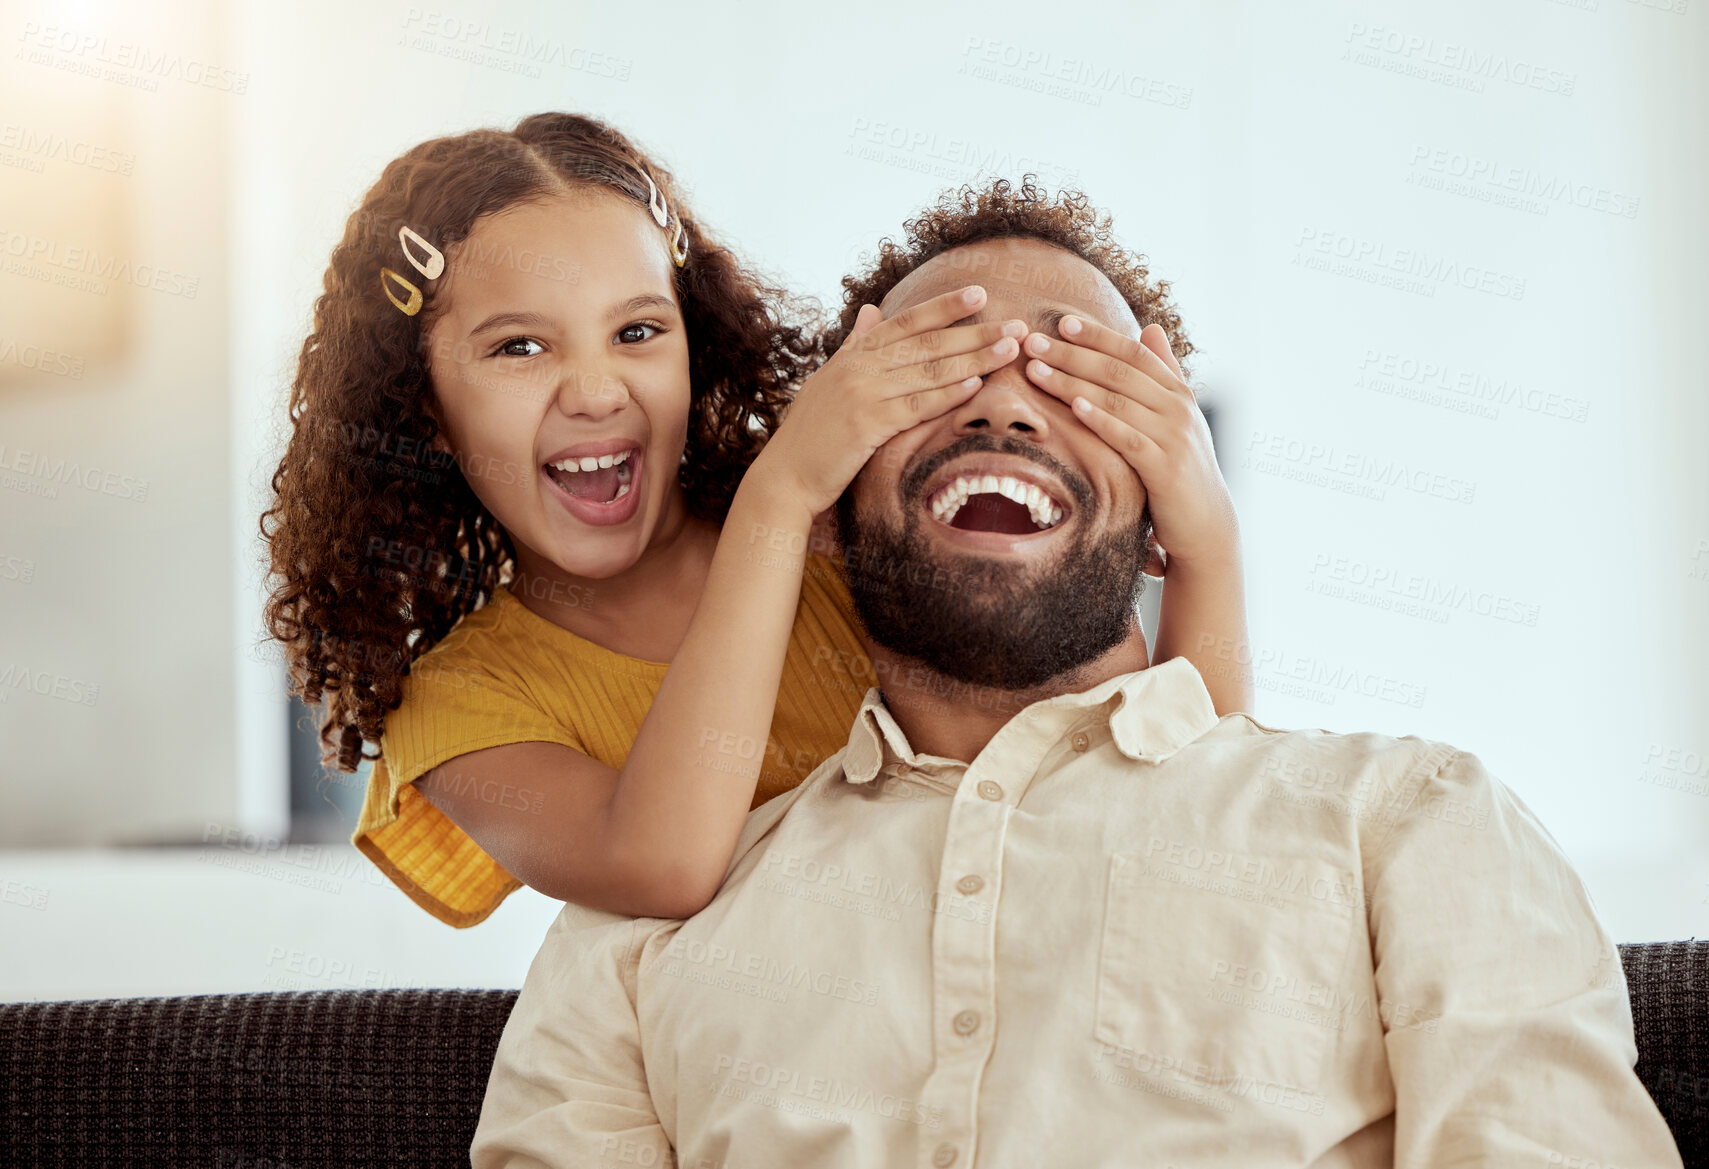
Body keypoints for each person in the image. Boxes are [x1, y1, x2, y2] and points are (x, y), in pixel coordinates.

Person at [470, 180, 1682, 1169]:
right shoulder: (633, 947)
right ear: (829, 497)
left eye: (1077, 378)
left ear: (1166, 513)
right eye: (932, 370)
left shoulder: (1407, 826)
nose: (1003, 408)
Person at [262, 115, 1252, 927]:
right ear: (423, 410)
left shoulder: (859, 537)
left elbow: (1179, 792)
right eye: (518, 345)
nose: (595, 389)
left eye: (639, 331)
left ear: (697, 348)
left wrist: (1206, 538)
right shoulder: (461, 706)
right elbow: (662, 863)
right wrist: (776, 503)